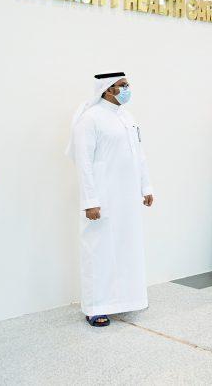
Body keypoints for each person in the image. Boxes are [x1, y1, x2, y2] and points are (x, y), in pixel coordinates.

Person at [67, 71, 154, 327]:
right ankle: (96, 307)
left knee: (127, 247)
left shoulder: (128, 117)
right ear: (107, 89)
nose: (127, 89)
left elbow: (139, 155)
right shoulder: (90, 119)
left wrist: (146, 187)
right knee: (99, 250)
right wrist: (90, 201)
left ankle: (126, 301)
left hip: (127, 197)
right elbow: (83, 163)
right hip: (103, 198)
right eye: (122, 85)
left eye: (127, 84)